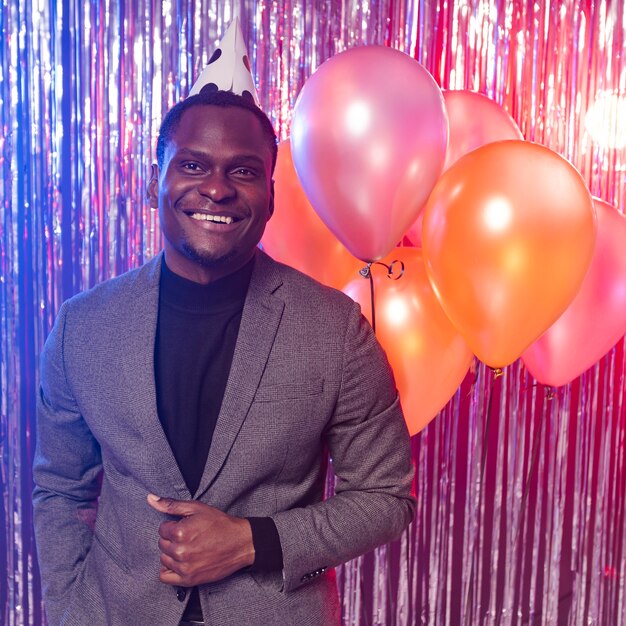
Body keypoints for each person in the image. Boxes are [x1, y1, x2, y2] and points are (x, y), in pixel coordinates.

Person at [32, 85, 415, 626]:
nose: (216, 189)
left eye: (242, 171)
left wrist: (251, 541)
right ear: (153, 182)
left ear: (271, 196)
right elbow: (60, 490)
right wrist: (70, 612)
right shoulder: (83, 326)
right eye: (192, 165)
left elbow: (384, 497)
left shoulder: (334, 329)